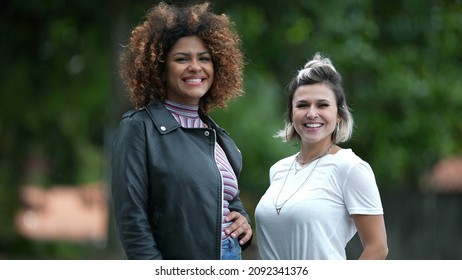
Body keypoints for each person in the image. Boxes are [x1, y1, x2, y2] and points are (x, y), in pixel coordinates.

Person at [111, 1, 253, 260]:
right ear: (160, 68)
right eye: (182, 59)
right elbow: (132, 218)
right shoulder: (139, 128)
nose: (195, 67)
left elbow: (226, 197)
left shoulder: (216, 134)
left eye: (204, 59)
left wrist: (242, 220)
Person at [255, 53, 388, 260]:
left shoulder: (350, 168)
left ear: (339, 115)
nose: (312, 113)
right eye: (302, 105)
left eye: (322, 105)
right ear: (291, 114)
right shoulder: (278, 170)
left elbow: (378, 247)